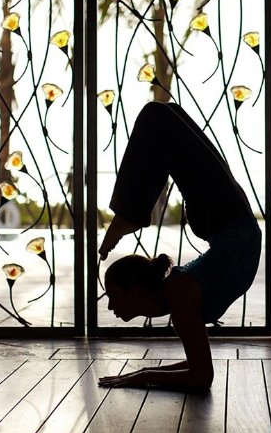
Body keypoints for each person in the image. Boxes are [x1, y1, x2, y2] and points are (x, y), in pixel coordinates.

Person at [97, 101, 262, 392]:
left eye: (113, 295)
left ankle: (130, 214)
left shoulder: (178, 296)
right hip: (227, 219)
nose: (109, 305)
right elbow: (199, 372)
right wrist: (143, 373)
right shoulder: (178, 297)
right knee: (157, 118)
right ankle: (130, 213)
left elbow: (199, 376)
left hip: (226, 220)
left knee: (165, 115)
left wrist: (143, 375)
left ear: (135, 289)